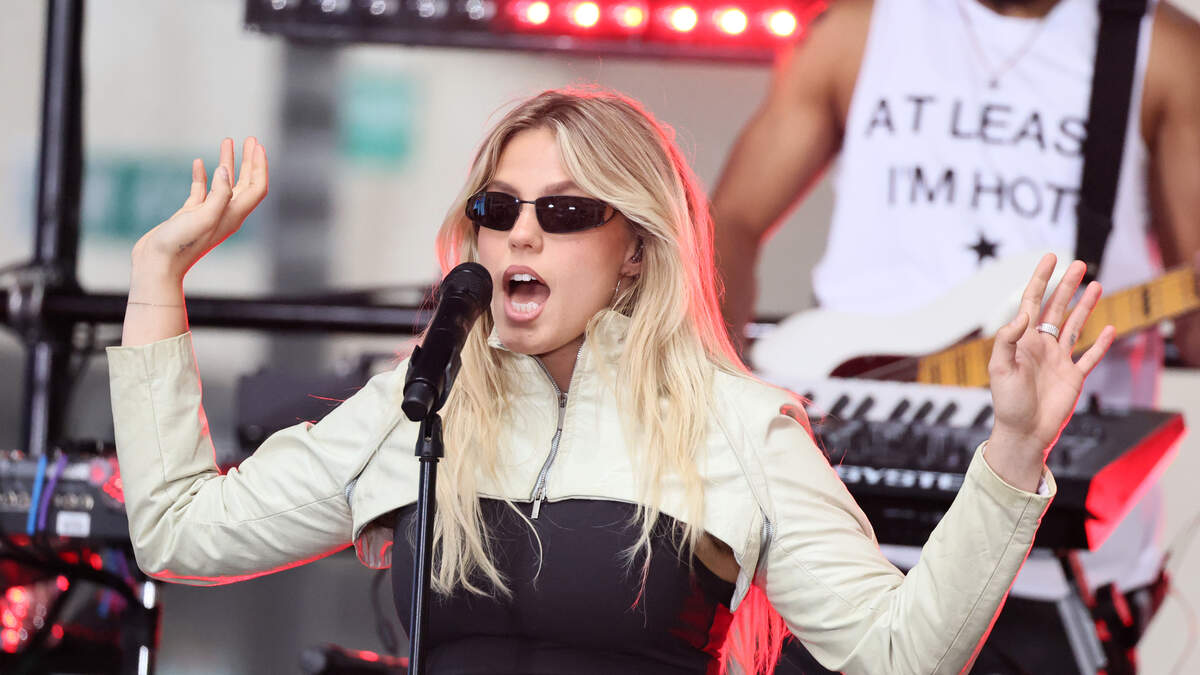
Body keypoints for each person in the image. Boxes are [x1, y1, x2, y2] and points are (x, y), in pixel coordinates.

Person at [108, 89, 1113, 674]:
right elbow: (177, 532)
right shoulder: (417, 402)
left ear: (635, 249)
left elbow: (902, 656)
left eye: (565, 212)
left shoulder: (737, 424)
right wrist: (156, 278)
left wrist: (1015, 450)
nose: (522, 234)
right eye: (498, 208)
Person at [712, 0, 1200, 669]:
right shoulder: (857, 30)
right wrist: (717, 385)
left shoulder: (1161, 49)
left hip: (1053, 554)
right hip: (840, 531)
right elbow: (730, 222)